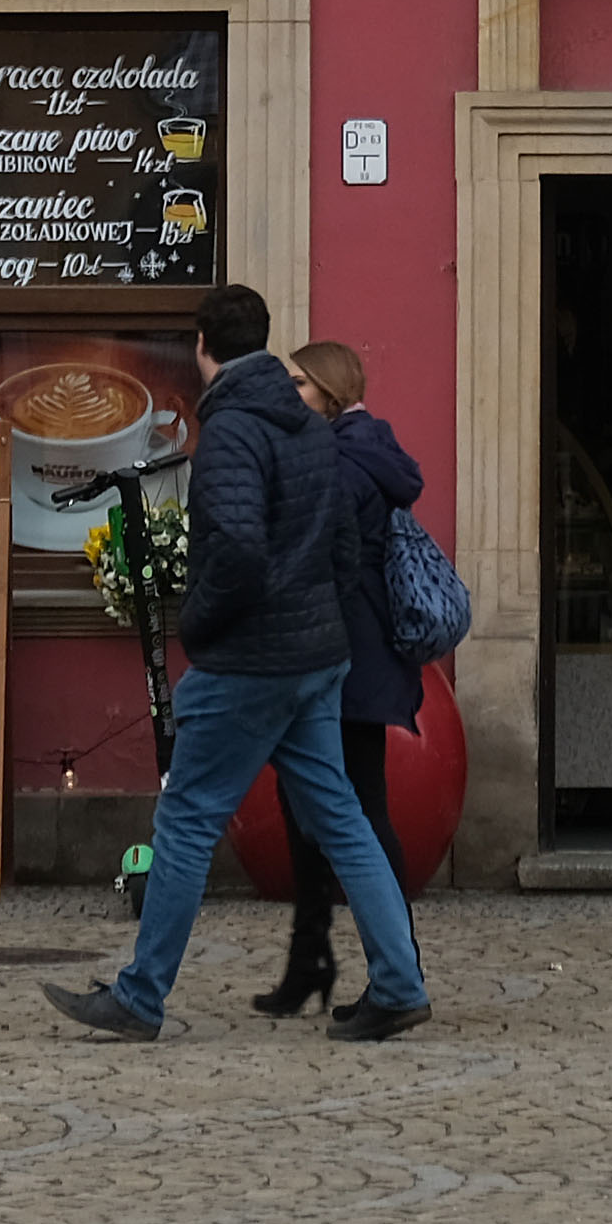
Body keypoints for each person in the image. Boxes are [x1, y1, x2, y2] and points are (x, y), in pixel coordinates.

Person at [42, 285, 434, 1046]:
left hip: (247, 659)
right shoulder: (311, 428)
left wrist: (201, 621)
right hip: (315, 657)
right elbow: (345, 550)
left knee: (186, 819)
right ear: (265, 341)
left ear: (201, 344)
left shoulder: (229, 430)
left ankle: (139, 995)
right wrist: (316, 618)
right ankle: (398, 982)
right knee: (342, 816)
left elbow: (237, 547)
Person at [254, 339, 427, 1022]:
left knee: (357, 810)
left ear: (328, 389)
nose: (287, 391)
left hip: (343, 654)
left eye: (298, 381)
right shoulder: (361, 446)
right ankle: (312, 960)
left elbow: (310, 550)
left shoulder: (343, 459)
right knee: (312, 809)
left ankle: (397, 967)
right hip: (350, 652)